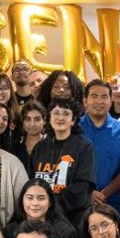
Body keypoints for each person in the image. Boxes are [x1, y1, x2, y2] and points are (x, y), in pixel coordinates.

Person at [27, 96, 95, 224]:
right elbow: (31, 182)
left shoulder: (84, 146)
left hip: (72, 218)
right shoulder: (40, 147)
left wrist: (50, 204)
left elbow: (82, 187)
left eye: (66, 114)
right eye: (56, 113)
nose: (60, 118)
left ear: (73, 120)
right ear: (49, 118)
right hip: (41, 216)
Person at [81, 78, 120, 219]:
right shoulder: (75, 128)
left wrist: (104, 194)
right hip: (79, 204)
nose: (99, 101)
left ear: (111, 102)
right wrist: (88, 193)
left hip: (113, 204)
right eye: (94, 96)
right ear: (85, 101)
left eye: (104, 97)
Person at [5, 179, 78, 238]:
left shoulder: (64, 232)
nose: (35, 203)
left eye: (41, 198)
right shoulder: (11, 230)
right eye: (30, 198)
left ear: (50, 202)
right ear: (21, 201)